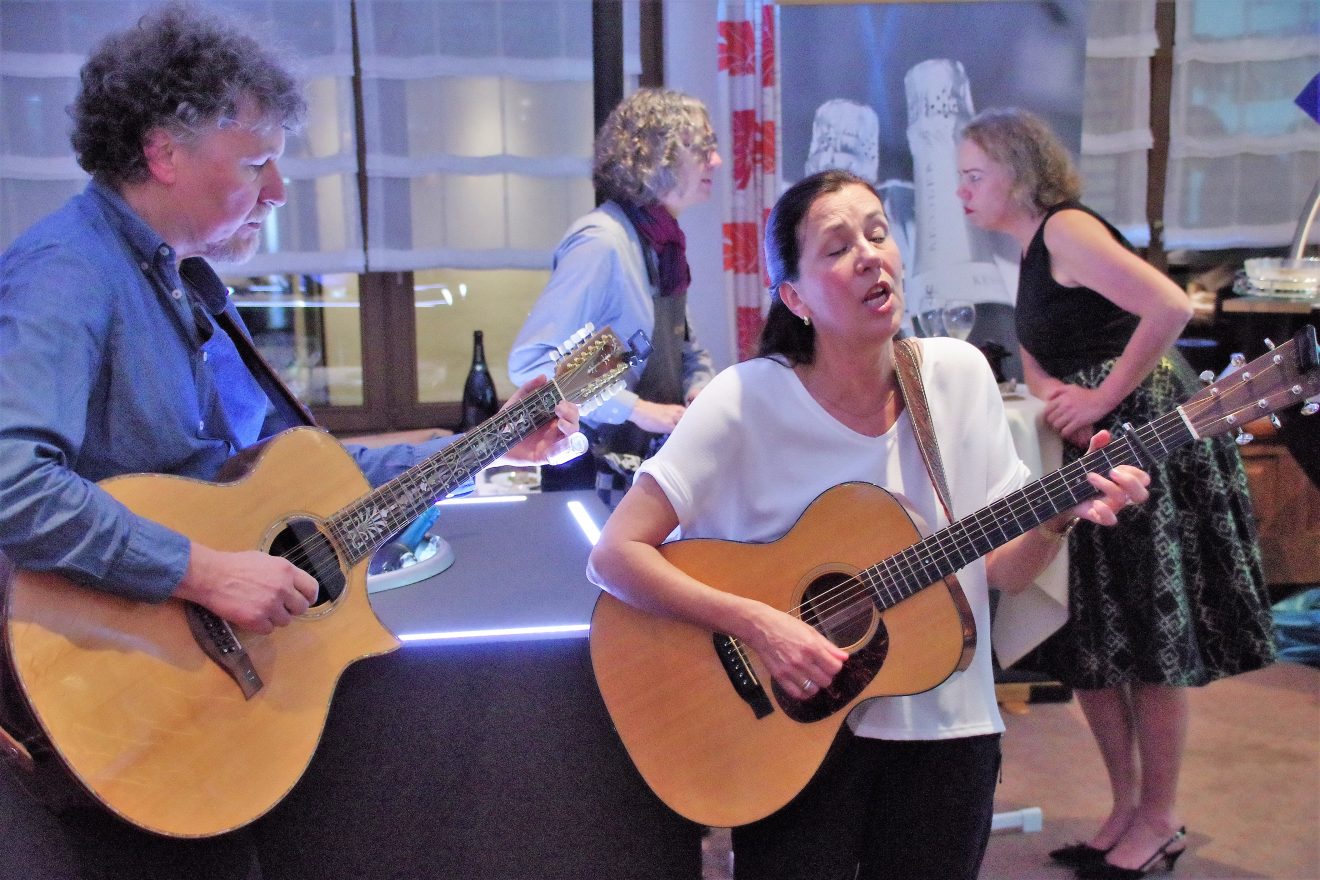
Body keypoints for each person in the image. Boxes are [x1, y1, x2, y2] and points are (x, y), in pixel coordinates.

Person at [0, 5, 577, 878]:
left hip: (199, 703)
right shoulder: (67, 274)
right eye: (258, 164)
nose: (276, 193)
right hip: (112, 705)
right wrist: (201, 569)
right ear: (163, 153)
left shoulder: (187, 286)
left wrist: (490, 444)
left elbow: (301, 479)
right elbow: (13, 482)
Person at [587, 169, 1150, 880]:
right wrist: (762, 625)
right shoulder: (744, 401)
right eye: (837, 246)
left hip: (948, 728)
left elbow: (1001, 568)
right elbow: (615, 555)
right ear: (794, 295)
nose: (870, 254)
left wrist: (1057, 517)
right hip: (784, 729)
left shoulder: (958, 377)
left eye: (879, 233)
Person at [957, 107, 1276, 879]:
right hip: (1090, 447)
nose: (961, 190)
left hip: (1143, 438)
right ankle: (1126, 809)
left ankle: (1158, 819)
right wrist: (1055, 392)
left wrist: (1099, 400)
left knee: (1150, 638)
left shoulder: (1066, 229)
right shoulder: (1029, 250)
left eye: (973, 175)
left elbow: (1168, 305)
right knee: (1096, 641)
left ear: (1017, 172)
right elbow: (1039, 356)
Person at [508, 88, 718, 505]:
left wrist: (701, 389)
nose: (716, 161)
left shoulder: (662, 244)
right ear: (657, 154)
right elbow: (531, 362)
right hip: (592, 477)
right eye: (703, 147)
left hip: (641, 473)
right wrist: (635, 408)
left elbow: (679, 348)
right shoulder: (602, 242)